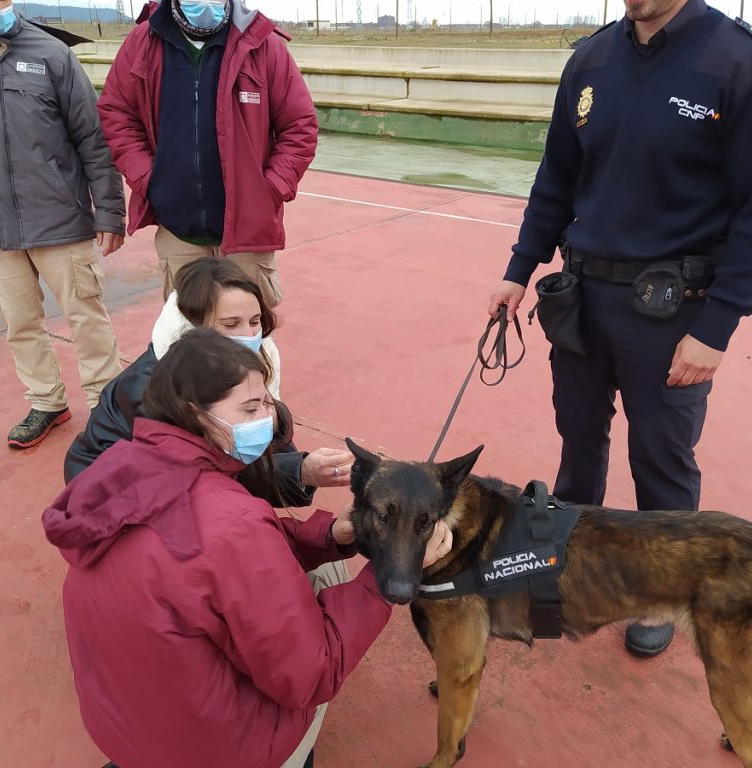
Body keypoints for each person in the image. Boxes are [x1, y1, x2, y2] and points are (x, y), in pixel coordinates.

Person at [488, 0, 752, 658]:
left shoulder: (738, 63)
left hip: (673, 309)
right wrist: (520, 268)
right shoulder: (591, 60)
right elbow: (557, 179)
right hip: (582, 298)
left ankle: (661, 592)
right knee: (579, 444)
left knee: (661, 460)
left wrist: (717, 327)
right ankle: (571, 567)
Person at [43, 328, 453, 768]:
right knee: (332, 581)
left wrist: (328, 536)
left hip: (123, 732)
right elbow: (312, 674)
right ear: (194, 413)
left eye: (267, 403)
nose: (269, 419)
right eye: (251, 407)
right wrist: (385, 575)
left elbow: (213, 554)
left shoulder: (120, 469)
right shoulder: (233, 523)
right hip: (216, 753)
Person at [0, 0, 126, 449]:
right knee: (19, 322)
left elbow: (93, 138)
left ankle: (107, 405)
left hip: (60, 217)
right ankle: (47, 401)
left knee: (86, 316)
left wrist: (109, 210)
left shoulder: (53, 53)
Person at [97, 0, 318, 389]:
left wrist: (269, 190)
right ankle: (196, 422)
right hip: (179, 229)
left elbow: (300, 126)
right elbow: (116, 114)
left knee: (251, 333)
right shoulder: (143, 42)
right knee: (186, 335)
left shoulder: (262, 44)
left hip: (248, 231)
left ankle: (261, 415)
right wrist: (149, 178)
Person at [63, 258, 349, 517]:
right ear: (194, 327)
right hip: (110, 498)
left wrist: (290, 450)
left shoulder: (250, 358)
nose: (249, 335)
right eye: (230, 324)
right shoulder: (156, 392)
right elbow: (209, 470)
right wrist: (301, 471)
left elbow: (259, 430)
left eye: (254, 321)